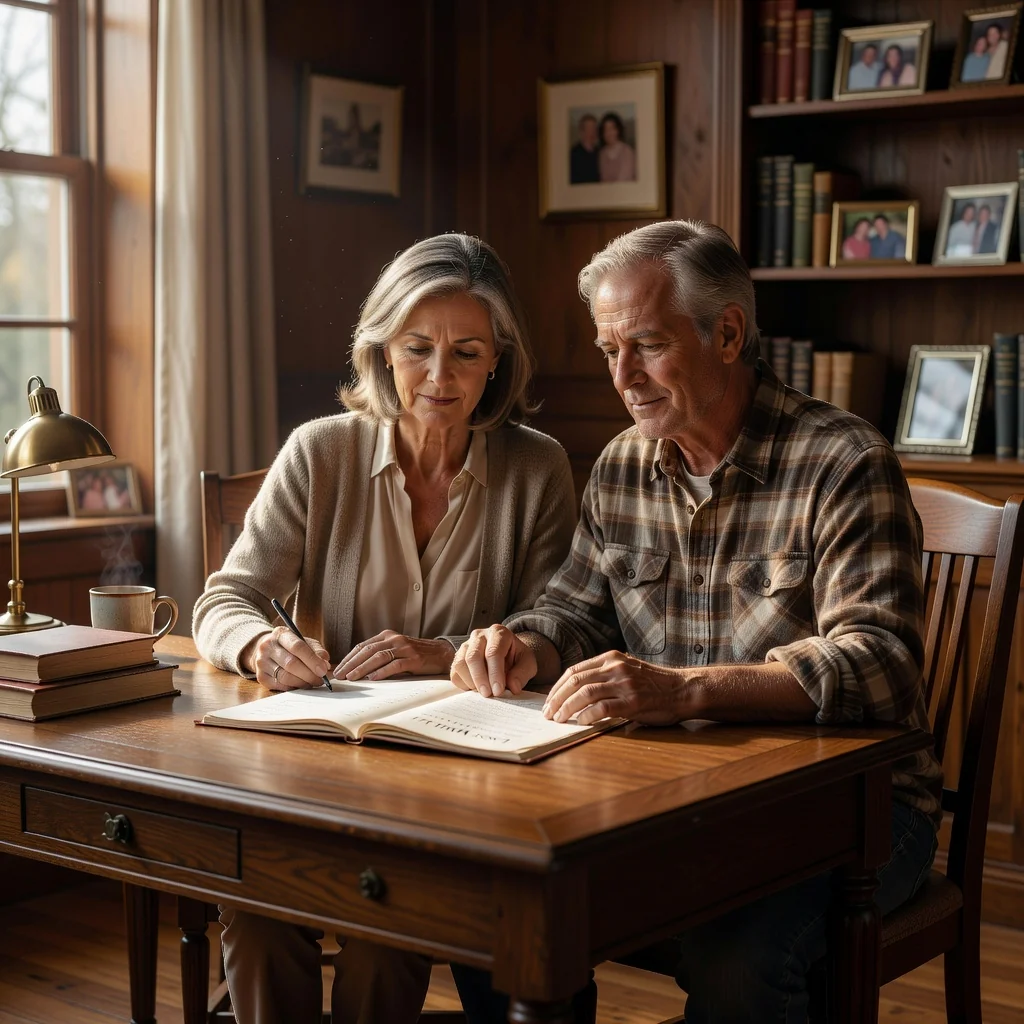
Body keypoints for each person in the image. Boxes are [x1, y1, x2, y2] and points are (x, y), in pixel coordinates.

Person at [447, 220, 941, 1024]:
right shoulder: (621, 466)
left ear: (728, 333)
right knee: (502, 903)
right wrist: (522, 645)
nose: (623, 376)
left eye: (644, 344)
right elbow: (574, 610)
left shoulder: (844, 460)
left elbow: (882, 664)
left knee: (736, 956)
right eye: (609, 351)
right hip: (673, 805)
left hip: (853, 815)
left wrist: (682, 691)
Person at [192, 233, 577, 1024]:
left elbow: (555, 624)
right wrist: (263, 643)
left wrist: (454, 654)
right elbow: (224, 598)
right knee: (258, 913)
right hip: (320, 770)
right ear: (381, 350)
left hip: (463, 783)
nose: (440, 377)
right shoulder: (320, 452)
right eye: (417, 348)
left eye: (467, 352)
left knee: (383, 935)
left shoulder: (537, 467)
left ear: (498, 358)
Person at [598, 112, 636, 182]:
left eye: (612, 128)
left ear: (618, 130)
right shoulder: (602, 154)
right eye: (606, 130)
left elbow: (624, 180)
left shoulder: (627, 151)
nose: (609, 133)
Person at [569, 113, 600, 184]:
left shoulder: (600, 152)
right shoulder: (573, 154)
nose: (593, 132)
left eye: (594, 128)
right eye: (589, 128)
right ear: (581, 132)